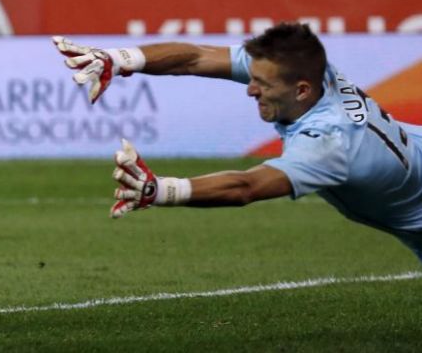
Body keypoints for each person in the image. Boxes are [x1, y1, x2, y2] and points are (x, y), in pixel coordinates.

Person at [52, 23, 422, 261]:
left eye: (263, 85)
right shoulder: (305, 70)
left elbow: (247, 187)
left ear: (302, 90)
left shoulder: (329, 144)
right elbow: (195, 58)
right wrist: (117, 60)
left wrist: (159, 190)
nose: (250, 89)